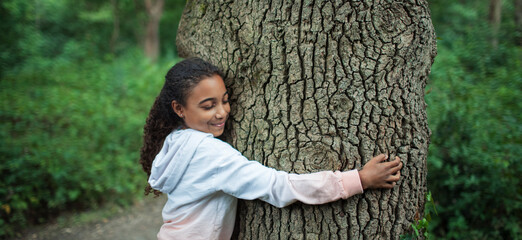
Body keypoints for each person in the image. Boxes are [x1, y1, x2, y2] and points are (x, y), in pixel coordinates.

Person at [139, 57, 403, 240]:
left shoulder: (176, 140)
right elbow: (279, 187)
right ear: (179, 108)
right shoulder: (211, 154)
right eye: (208, 106)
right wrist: (359, 179)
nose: (222, 113)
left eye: (225, 100)